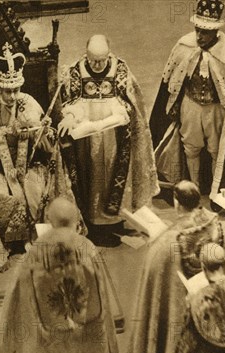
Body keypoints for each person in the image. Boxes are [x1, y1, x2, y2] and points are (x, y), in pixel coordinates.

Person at [0, 197, 124, 353]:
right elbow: (101, 294)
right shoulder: (88, 248)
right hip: (86, 334)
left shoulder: (35, 252)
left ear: (49, 220)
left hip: (46, 339)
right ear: (76, 221)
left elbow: (16, 301)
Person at [0, 42, 81, 277]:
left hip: (28, 167)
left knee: (36, 192)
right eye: (8, 91)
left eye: (16, 89)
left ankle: (36, 238)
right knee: (8, 197)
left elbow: (48, 148)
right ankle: (10, 243)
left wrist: (44, 132)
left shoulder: (29, 103)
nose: (13, 96)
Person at [150, 0, 225, 201]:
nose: (199, 36)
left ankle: (216, 192)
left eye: (204, 32)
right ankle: (193, 190)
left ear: (216, 32)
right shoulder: (184, 45)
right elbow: (172, 83)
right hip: (191, 105)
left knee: (216, 149)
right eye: (197, 30)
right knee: (191, 146)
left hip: (215, 109)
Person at [125, 180, 223, 353]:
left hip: (177, 312)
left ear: (177, 204)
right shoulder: (214, 225)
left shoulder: (168, 243)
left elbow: (155, 280)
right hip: (206, 306)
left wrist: (153, 243)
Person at [58, 34, 159, 247]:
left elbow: (130, 104)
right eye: (93, 60)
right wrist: (71, 116)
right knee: (92, 177)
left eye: (102, 60)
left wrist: (120, 113)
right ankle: (93, 221)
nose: (97, 64)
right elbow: (72, 101)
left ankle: (114, 220)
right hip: (86, 140)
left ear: (109, 54)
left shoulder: (121, 70)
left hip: (114, 138)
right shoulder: (76, 71)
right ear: (86, 54)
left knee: (113, 175)